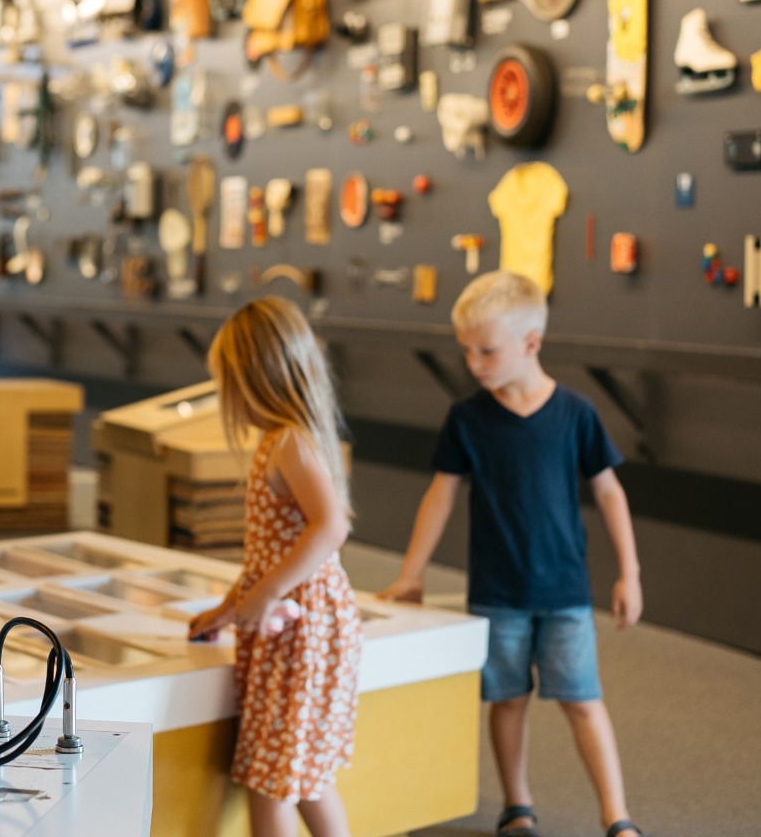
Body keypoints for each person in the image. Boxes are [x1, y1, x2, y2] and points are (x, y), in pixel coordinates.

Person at [378, 270, 645, 837]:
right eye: (467, 351)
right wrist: (410, 575)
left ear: (531, 343)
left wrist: (630, 573)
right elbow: (440, 497)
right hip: (497, 593)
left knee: (582, 700)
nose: (474, 363)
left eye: (487, 351)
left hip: (565, 592)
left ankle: (616, 815)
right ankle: (516, 805)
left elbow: (608, 491)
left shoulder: (576, 414)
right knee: (508, 699)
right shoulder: (467, 419)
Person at [188, 296, 362, 837]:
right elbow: (267, 552)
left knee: (273, 786)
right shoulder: (278, 442)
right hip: (289, 625)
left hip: (302, 630)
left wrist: (263, 598)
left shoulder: (289, 442)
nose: (224, 397)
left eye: (226, 383)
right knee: (302, 774)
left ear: (254, 378)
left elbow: (331, 527)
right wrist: (229, 608)